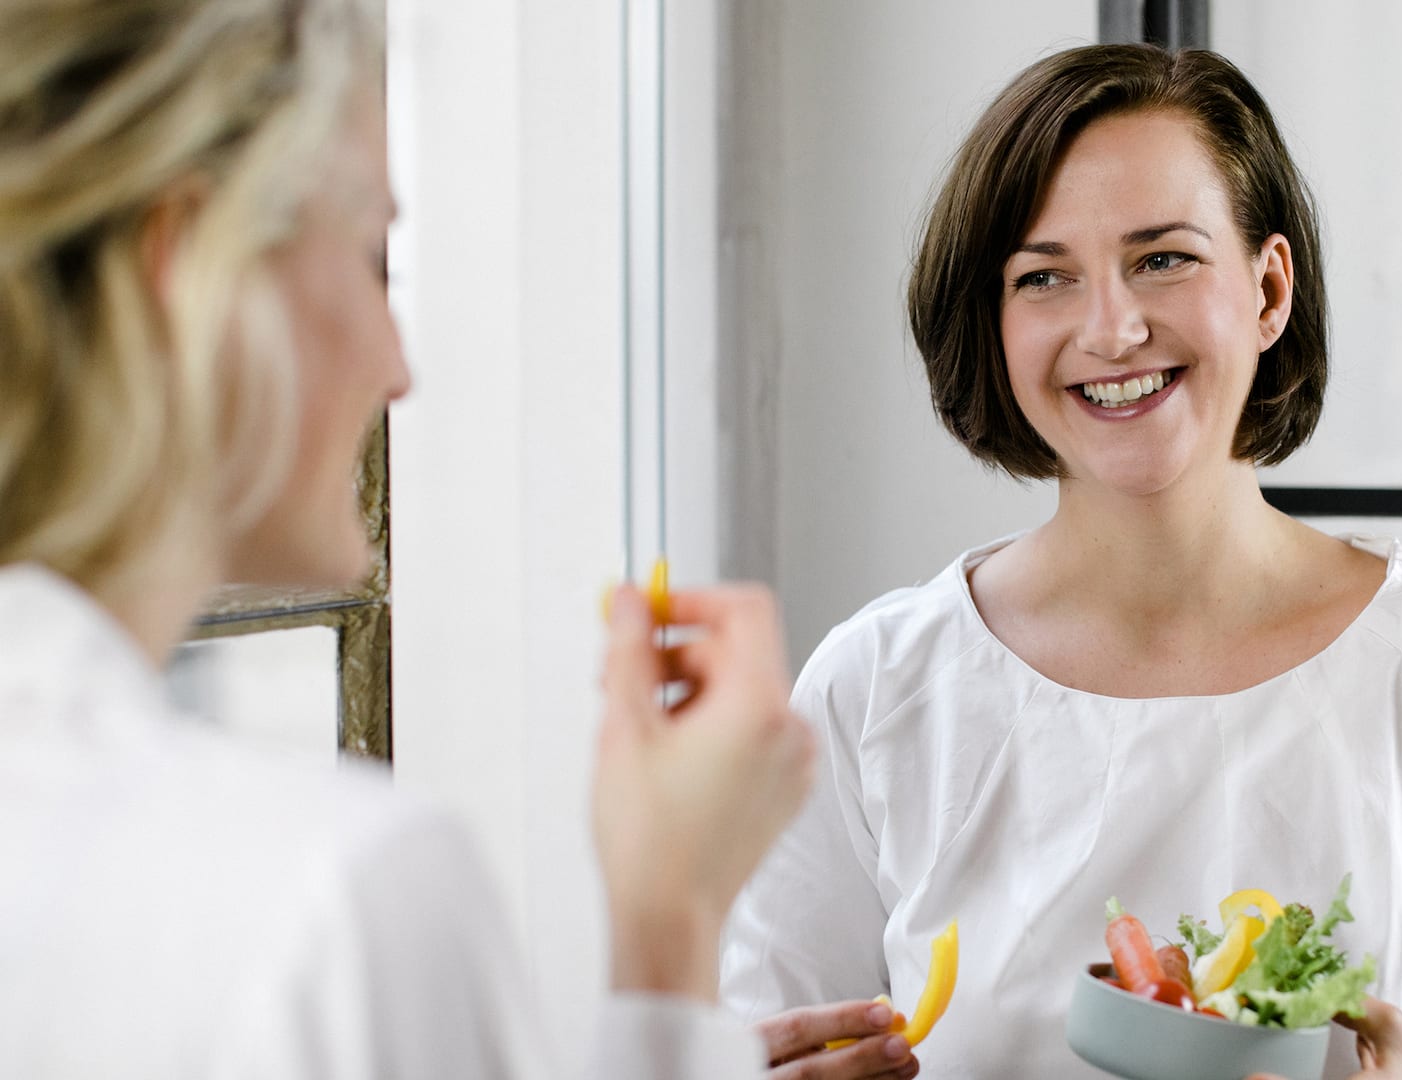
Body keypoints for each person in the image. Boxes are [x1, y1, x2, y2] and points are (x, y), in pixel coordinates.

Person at [720, 43, 1402, 1080]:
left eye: (1164, 258)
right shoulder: (875, 687)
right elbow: (771, 1045)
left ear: (1270, 289)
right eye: (1044, 276)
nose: (1113, 328)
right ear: (992, 321)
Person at [0, 1, 830, 1076]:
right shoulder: (328, 898)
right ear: (191, 272)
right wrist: (673, 921)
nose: (400, 369)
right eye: (373, 260)